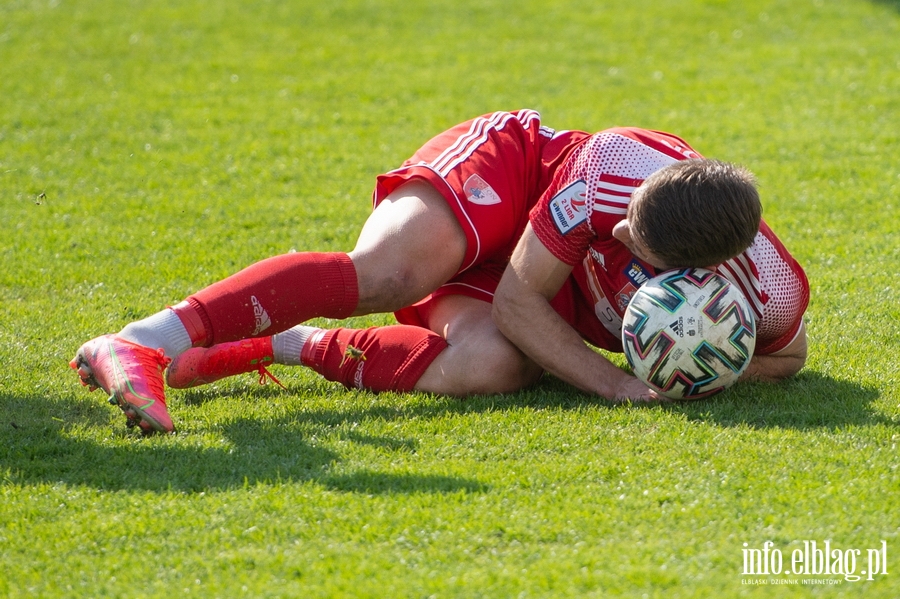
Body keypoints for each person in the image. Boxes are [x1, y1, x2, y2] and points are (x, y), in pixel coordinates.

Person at [71, 110, 809, 434]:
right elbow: (522, 299)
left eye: (633, 246)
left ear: (699, 269)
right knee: (389, 271)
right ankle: (144, 340)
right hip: (516, 179)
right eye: (622, 221)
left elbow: (790, 354)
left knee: (491, 365)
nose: (617, 232)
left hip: (545, 281)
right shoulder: (610, 172)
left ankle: (282, 344)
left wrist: (701, 364)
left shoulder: (769, 290)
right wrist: (619, 382)